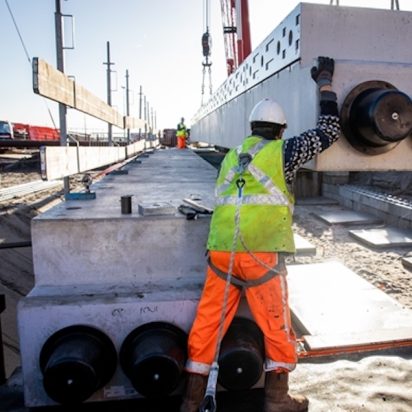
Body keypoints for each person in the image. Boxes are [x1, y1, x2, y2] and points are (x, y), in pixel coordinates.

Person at [180, 56, 341, 412]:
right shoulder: (284, 151)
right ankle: (277, 399)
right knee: (277, 326)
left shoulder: (232, 156)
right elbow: (330, 130)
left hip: (222, 253)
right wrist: (325, 84)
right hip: (261, 257)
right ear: (281, 129)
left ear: (252, 126)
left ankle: (190, 402)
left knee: (207, 326)